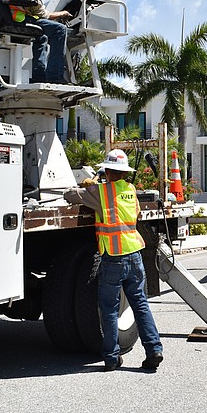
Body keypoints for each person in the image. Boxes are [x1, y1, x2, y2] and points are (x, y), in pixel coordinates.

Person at [63, 149, 164, 372]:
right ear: (125, 173)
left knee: (109, 308)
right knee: (140, 304)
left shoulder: (101, 192)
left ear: (107, 171)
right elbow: (133, 214)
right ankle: (154, 349)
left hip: (113, 259)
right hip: (135, 255)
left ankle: (111, 358)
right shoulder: (131, 190)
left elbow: (69, 195)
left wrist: (89, 184)